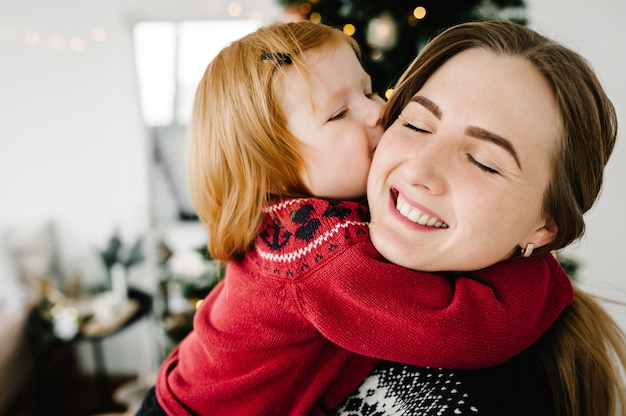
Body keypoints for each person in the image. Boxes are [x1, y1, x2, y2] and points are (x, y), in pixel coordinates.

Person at [137, 21, 573, 415]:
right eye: (339, 113)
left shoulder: (308, 219)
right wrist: (541, 275)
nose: (378, 110)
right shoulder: (321, 253)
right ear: (273, 168)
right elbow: (463, 329)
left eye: (366, 90)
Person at [335, 20, 626, 415]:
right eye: (417, 125)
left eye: (483, 163)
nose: (420, 171)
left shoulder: (477, 398)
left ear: (544, 227)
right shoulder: (313, 235)